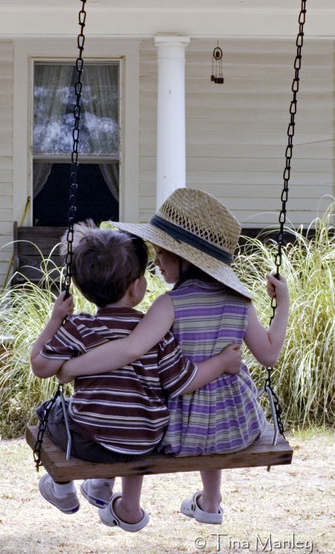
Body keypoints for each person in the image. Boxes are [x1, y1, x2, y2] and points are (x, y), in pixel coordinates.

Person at [58, 188, 290, 525]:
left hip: (180, 427)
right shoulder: (241, 301)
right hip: (237, 425)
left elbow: (131, 348)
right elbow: (269, 354)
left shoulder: (169, 304)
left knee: (135, 414)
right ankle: (210, 503)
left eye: (162, 254)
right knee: (214, 406)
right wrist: (282, 305)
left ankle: (119, 498)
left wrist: (71, 367)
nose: (155, 261)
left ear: (186, 260)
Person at [30, 220, 242, 532]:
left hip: (93, 439)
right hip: (145, 440)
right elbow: (183, 381)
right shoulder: (155, 332)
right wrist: (222, 362)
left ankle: (62, 488)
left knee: (50, 414)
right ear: (136, 287)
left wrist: (55, 319)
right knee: (126, 420)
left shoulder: (80, 328)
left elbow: (40, 366)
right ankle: (101, 486)